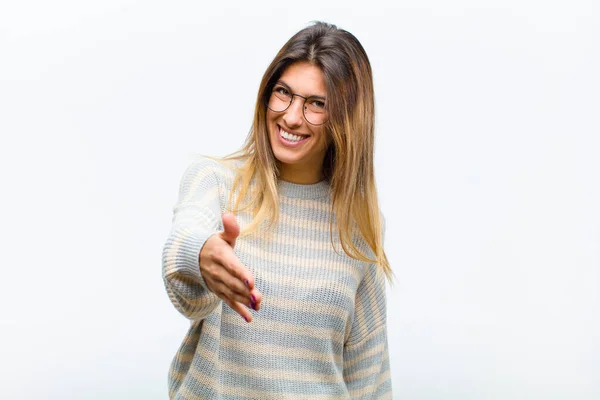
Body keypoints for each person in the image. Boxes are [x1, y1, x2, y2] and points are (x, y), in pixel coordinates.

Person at [162, 21, 392, 399]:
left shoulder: (359, 225)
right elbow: (183, 266)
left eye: (316, 104)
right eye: (283, 93)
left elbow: (370, 373)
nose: (290, 117)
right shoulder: (216, 182)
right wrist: (201, 255)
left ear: (347, 120)